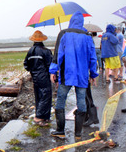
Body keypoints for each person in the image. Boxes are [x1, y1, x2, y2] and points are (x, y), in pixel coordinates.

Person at [49, 11, 98, 139]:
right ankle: (78, 134)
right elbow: (92, 58)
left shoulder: (64, 33)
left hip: (67, 75)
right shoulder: (87, 36)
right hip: (82, 76)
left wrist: (53, 71)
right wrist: (93, 74)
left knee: (61, 101)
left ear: (71, 21)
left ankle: (60, 131)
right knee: (81, 102)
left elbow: (58, 54)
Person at [23, 30, 53, 126]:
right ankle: (38, 117)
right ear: (42, 40)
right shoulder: (46, 51)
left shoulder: (30, 51)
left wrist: (33, 70)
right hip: (44, 77)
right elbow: (50, 66)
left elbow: (26, 65)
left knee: (39, 96)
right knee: (46, 96)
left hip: (35, 77)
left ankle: (45, 117)